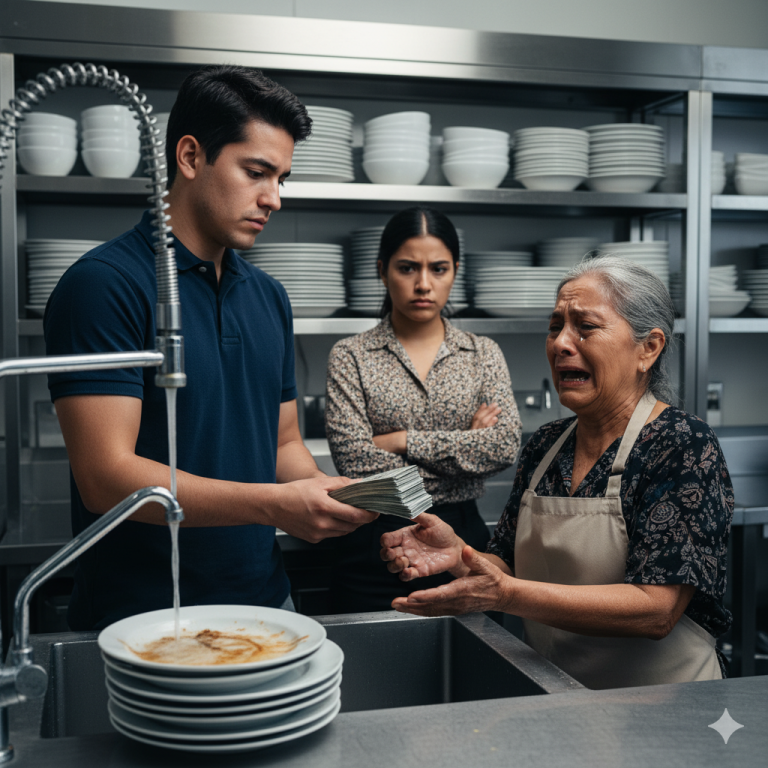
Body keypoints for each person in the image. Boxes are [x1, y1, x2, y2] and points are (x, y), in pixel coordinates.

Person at [44, 65, 377, 631]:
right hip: (142, 620)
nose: (274, 199)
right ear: (191, 156)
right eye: (256, 172)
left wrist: (324, 492)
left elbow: (283, 444)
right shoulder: (104, 284)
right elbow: (104, 478)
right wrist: (273, 505)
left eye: (282, 178)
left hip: (267, 606)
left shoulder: (269, 296)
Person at [380, 255, 734, 689]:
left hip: (664, 707)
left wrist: (506, 595)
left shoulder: (680, 444)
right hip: (555, 695)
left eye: (585, 327)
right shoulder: (547, 445)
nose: (561, 343)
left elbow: (655, 610)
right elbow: (505, 566)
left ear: (649, 348)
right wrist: (459, 555)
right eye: (555, 327)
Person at [325, 206, 521, 612]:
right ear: (382, 271)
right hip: (374, 540)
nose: (423, 284)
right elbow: (355, 461)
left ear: (455, 272)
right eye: (407, 268)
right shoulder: (351, 355)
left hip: (461, 540)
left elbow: (502, 447)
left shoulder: (482, 353)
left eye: (439, 269)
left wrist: (401, 441)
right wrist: (465, 449)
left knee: (471, 650)